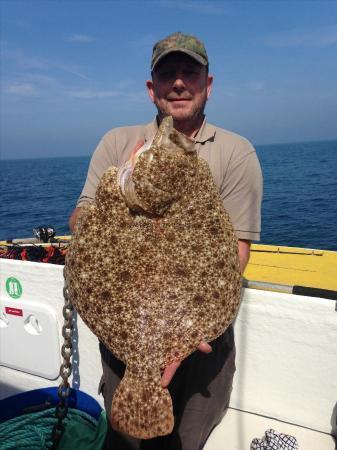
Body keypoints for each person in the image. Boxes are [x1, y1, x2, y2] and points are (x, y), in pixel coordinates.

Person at [69, 32, 263, 450]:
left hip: (200, 348)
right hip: (127, 343)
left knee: (186, 442)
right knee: (125, 443)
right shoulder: (116, 143)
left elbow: (236, 253)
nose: (178, 82)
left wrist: (181, 333)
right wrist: (114, 198)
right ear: (151, 87)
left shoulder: (236, 153)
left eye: (190, 73)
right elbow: (81, 221)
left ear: (207, 84)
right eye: (167, 74)